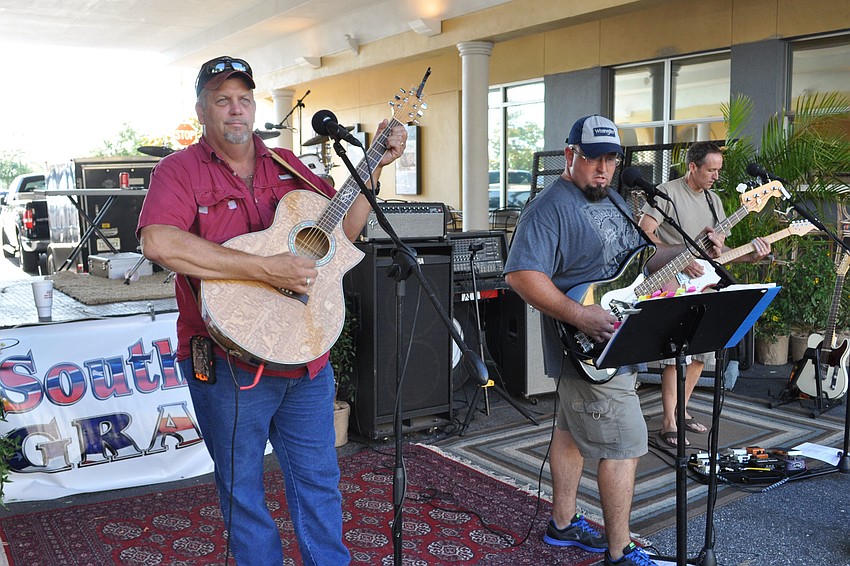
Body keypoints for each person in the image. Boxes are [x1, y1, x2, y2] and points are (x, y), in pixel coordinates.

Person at [136, 56, 407, 566]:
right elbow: (159, 242)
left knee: (320, 482)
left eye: (244, 99)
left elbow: (339, 236)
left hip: (306, 355)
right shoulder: (179, 170)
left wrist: (374, 169)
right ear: (202, 110)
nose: (236, 110)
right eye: (222, 100)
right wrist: (262, 270)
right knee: (244, 494)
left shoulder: (286, 164)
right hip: (228, 361)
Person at [504, 115, 723, 566]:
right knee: (626, 445)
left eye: (610, 159)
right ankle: (620, 554)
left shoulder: (617, 202)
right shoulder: (549, 208)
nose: (602, 168)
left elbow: (641, 259)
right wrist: (579, 314)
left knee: (569, 432)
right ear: (569, 156)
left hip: (618, 335)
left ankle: (562, 525)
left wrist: (687, 251)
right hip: (589, 345)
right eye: (591, 158)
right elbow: (521, 274)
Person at [637, 141, 770, 448]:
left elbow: (718, 252)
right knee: (675, 355)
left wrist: (751, 254)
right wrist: (679, 258)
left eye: (719, 170)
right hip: (671, 279)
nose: (715, 176)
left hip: (703, 283)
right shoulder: (667, 192)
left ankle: (680, 412)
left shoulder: (714, 202)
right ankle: (668, 422)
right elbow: (644, 234)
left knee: (701, 353)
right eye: (711, 170)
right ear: (692, 167)